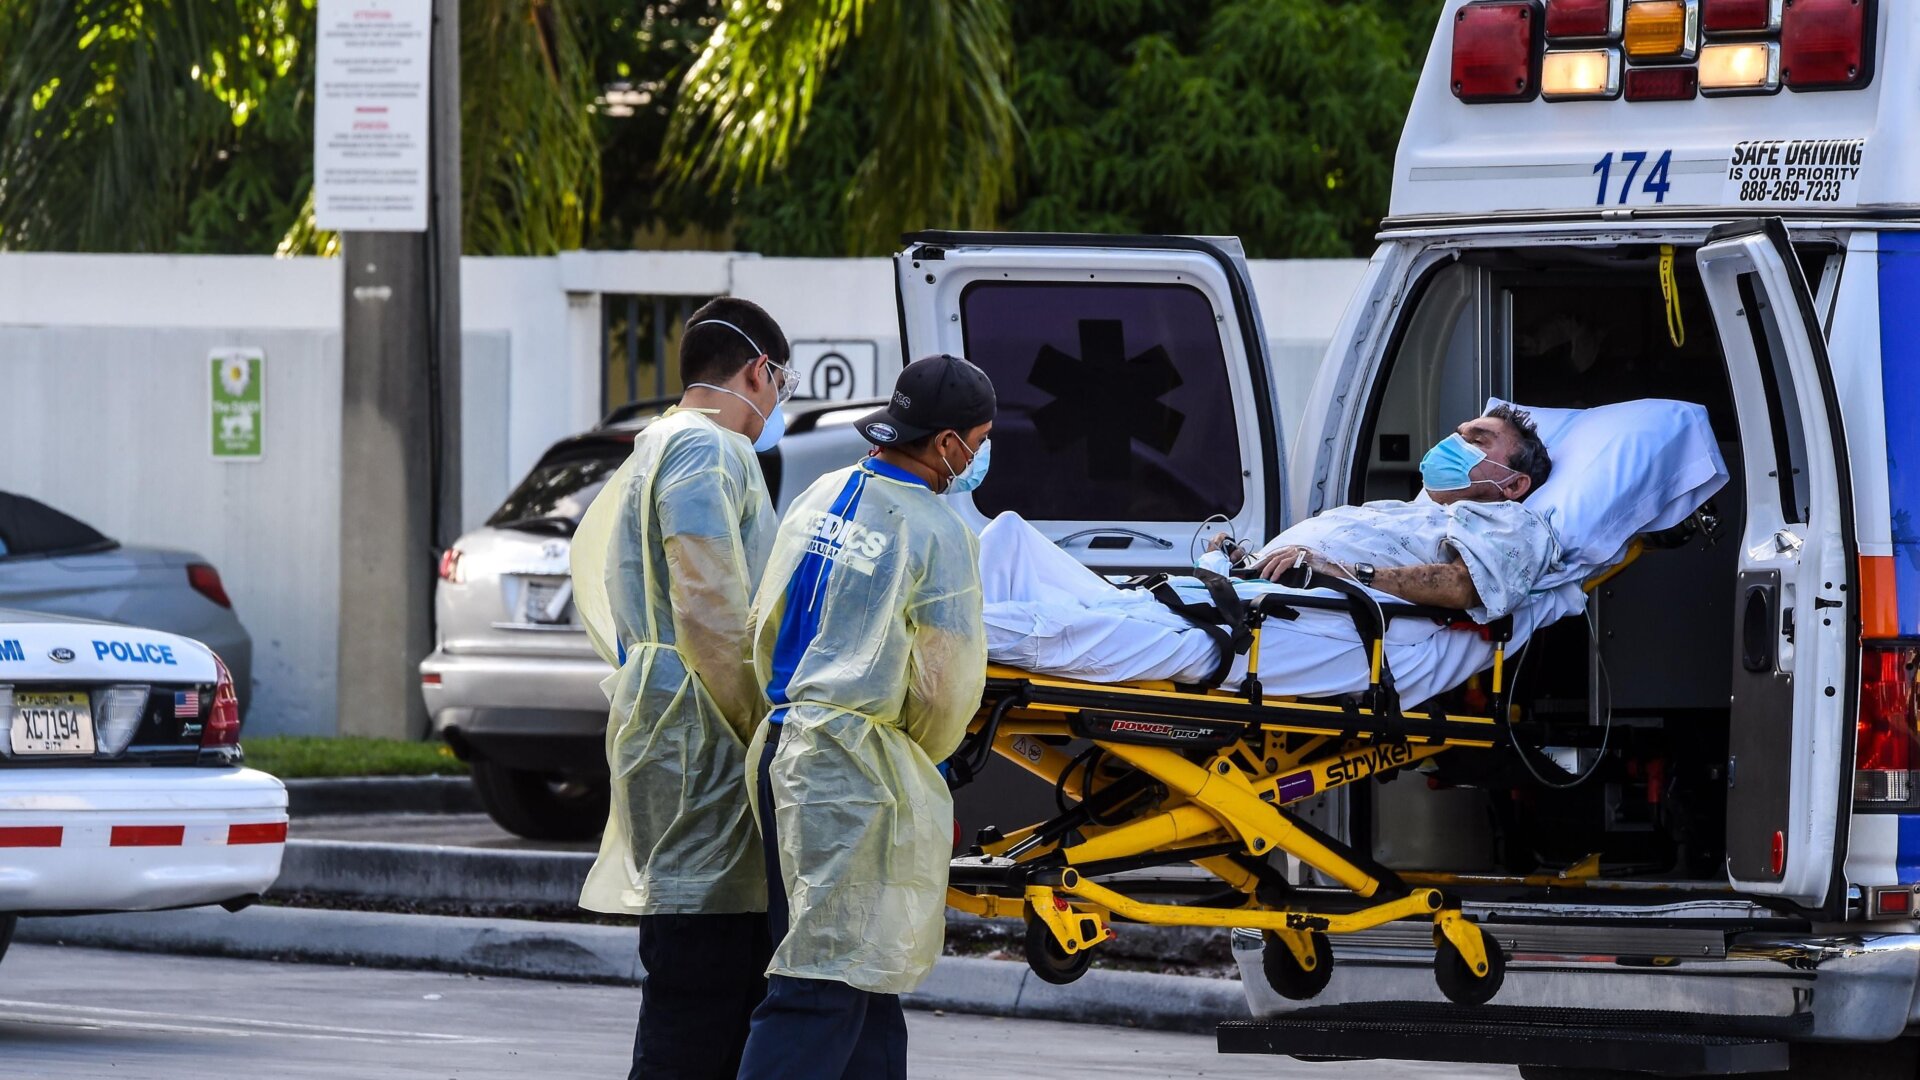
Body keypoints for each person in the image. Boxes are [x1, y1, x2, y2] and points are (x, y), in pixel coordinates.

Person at [735, 354, 995, 1080]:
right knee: (818, 984)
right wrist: (920, 767)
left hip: (786, 745)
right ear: (948, 443)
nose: (980, 453)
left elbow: (768, 617)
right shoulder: (937, 532)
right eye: (979, 437)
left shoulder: (821, 495)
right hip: (854, 774)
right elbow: (943, 690)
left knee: (864, 976)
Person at [568, 297, 794, 1080]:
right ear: (759, 371)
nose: (774, 404)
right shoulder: (713, 451)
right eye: (779, 384)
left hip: (660, 730)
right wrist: (763, 731)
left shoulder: (652, 444)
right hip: (705, 740)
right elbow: (711, 612)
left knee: (684, 970)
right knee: (706, 988)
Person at [1214, 403, 1557, 622]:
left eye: (1477, 441)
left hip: (1289, 609)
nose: (1453, 446)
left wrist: (1337, 571)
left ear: (1513, 486)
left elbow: (1463, 587)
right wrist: (1250, 560)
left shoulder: (1513, 523)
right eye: (1458, 436)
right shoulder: (1405, 512)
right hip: (1250, 593)